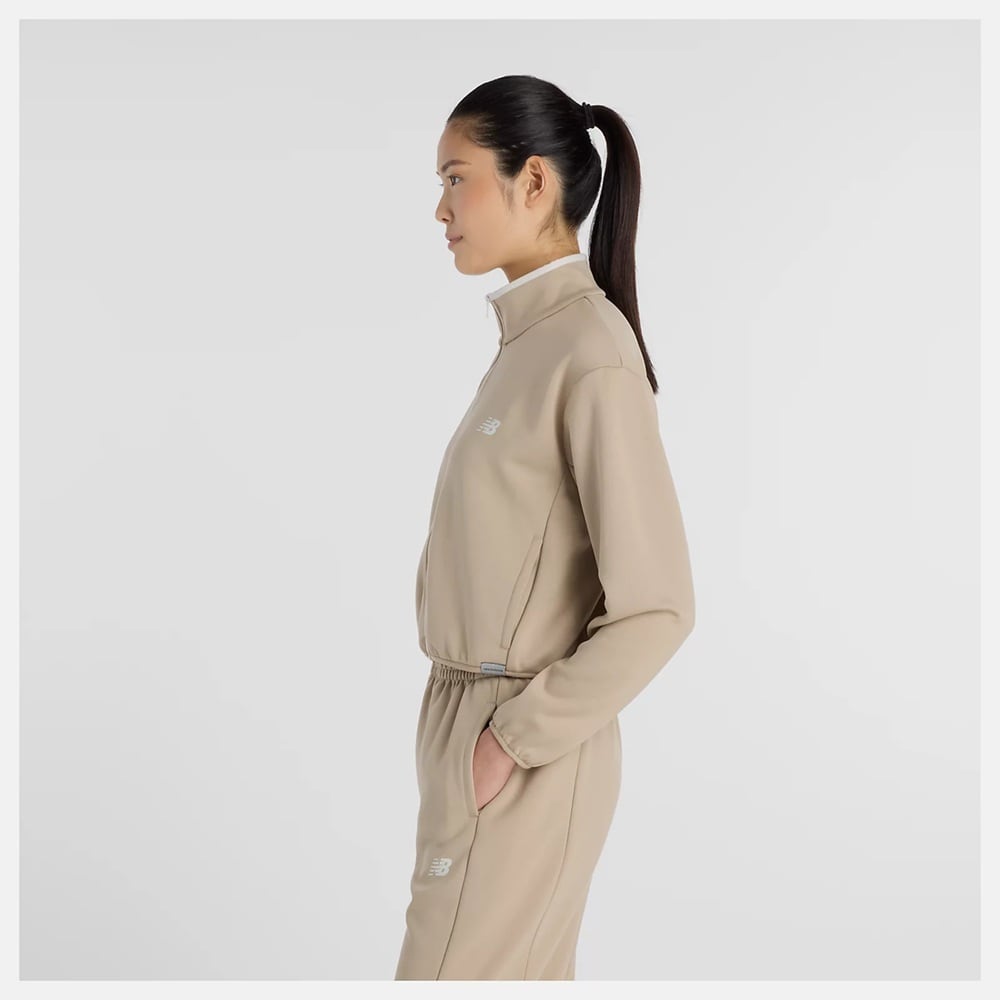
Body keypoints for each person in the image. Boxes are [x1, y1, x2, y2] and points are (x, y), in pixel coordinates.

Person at [393, 74, 696, 981]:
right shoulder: (530, 346)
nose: (441, 208)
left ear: (533, 182)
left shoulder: (589, 352)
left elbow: (658, 608)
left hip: (522, 746)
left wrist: (509, 741)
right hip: (474, 730)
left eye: (456, 178)